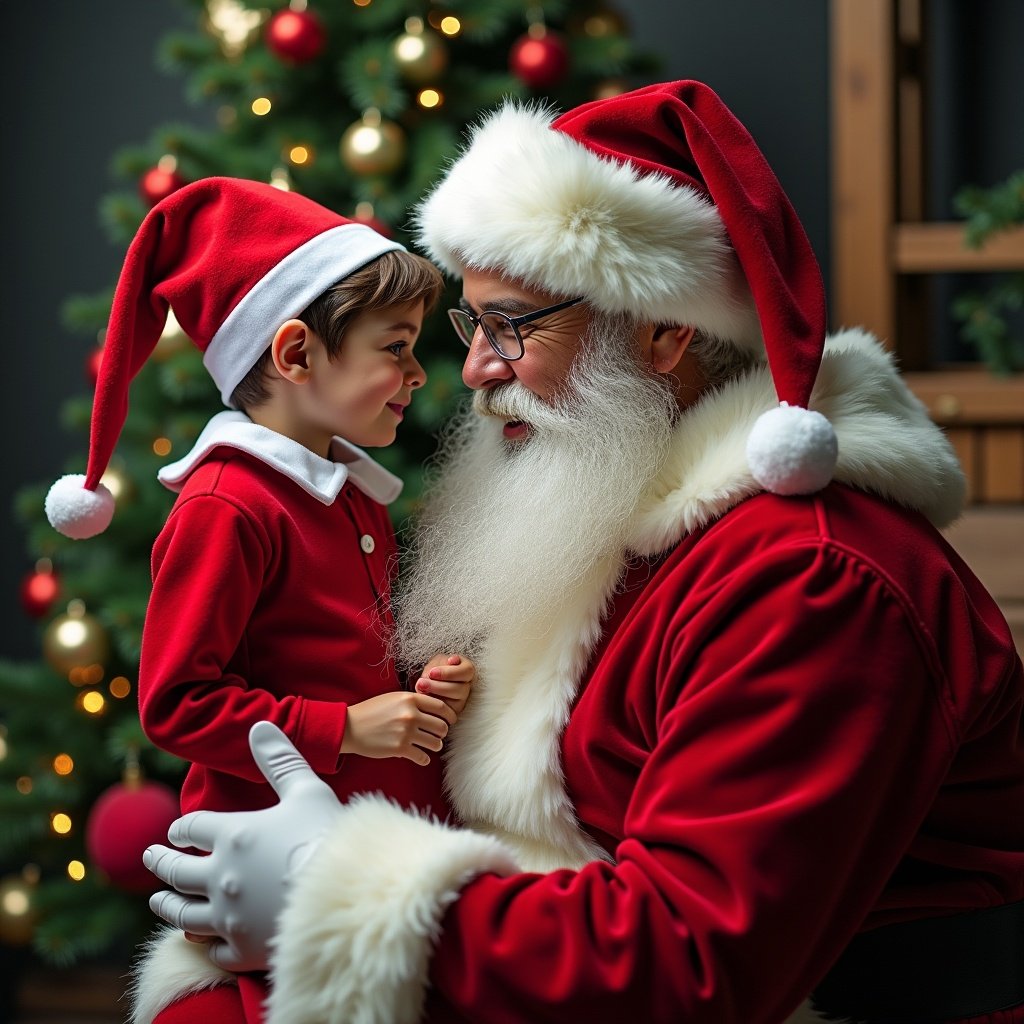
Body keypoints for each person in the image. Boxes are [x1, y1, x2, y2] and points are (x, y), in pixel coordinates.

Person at [142, 81, 1024, 1024]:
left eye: (513, 325)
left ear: (662, 332)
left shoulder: (812, 576)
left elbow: (685, 964)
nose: (477, 367)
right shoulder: (596, 519)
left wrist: (334, 890)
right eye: (472, 325)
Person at [43, 178, 475, 1023]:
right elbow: (177, 704)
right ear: (295, 354)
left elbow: (345, 650)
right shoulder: (227, 508)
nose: (420, 375)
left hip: (381, 854)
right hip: (276, 881)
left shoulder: (347, 491)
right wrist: (344, 729)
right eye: (395, 347)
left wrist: (422, 687)